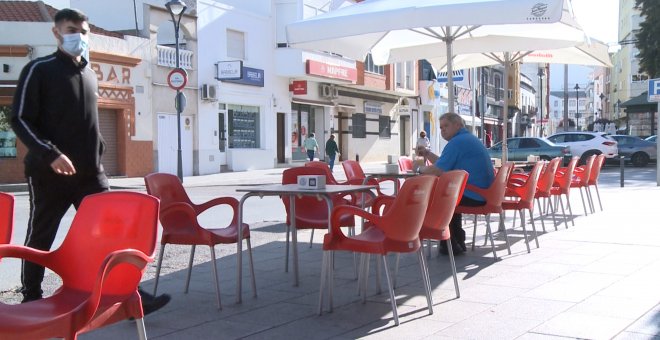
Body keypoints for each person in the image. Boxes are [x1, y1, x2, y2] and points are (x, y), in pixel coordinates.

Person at [10, 8, 169, 314]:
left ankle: (127, 294)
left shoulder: (89, 73)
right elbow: (19, 118)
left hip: (90, 175)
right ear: (56, 33)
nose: (79, 36)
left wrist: (98, 154)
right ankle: (31, 298)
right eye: (72, 30)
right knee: (41, 235)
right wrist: (50, 153)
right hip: (48, 173)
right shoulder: (39, 70)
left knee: (111, 234)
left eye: (83, 31)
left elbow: (89, 124)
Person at [415, 112, 494, 255]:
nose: (442, 130)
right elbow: (442, 164)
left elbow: (437, 170)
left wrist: (418, 169)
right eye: (440, 127)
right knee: (449, 196)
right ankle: (456, 241)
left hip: (475, 195)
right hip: (484, 194)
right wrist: (427, 153)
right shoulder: (466, 139)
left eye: (446, 126)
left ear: (457, 125)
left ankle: (448, 243)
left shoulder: (457, 143)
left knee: (440, 199)